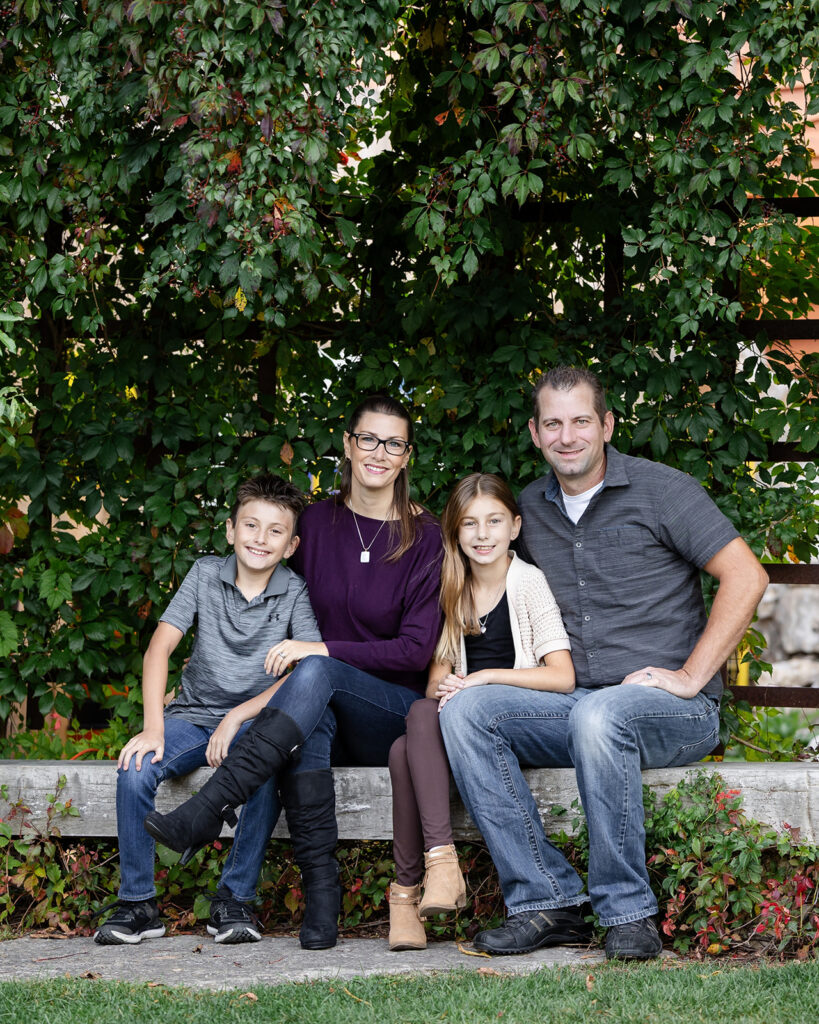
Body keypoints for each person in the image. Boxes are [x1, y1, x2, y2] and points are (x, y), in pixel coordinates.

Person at [439, 366, 769, 961]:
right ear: (536, 435)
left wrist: (692, 676)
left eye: (581, 422)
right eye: (553, 424)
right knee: (467, 711)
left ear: (607, 425)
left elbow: (747, 575)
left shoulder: (663, 491)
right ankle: (546, 902)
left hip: (673, 709)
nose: (568, 437)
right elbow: (472, 561)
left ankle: (628, 912)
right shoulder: (528, 512)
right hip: (574, 701)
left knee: (601, 715)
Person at [144, 395, 443, 951]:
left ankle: (211, 808)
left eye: (394, 443)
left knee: (318, 672)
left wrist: (319, 647)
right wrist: (245, 700)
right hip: (309, 706)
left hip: (390, 714)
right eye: (369, 439)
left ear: (407, 456)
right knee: (310, 710)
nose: (380, 452)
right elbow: (267, 604)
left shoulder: (423, 537)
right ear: (349, 444)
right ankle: (322, 903)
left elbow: (413, 651)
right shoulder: (313, 525)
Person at [94, 474, 320, 946]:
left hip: (252, 726)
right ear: (230, 529)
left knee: (265, 768)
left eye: (275, 531)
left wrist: (239, 716)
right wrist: (154, 727)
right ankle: (138, 904)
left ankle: (233, 901)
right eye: (251, 526)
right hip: (191, 718)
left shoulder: (295, 592)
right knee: (135, 767)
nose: (260, 539)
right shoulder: (203, 574)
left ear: (292, 543)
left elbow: (308, 667)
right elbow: (159, 650)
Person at [387, 473, 575, 951]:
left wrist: (486, 679)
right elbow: (435, 681)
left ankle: (410, 891)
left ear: (514, 526)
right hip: (467, 723)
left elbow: (562, 677)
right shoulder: (455, 590)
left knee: (406, 746)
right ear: (455, 533)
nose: (482, 534)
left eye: (493, 521)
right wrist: (449, 684)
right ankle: (431, 875)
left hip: (528, 717)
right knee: (404, 743)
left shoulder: (527, 582)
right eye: (469, 524)